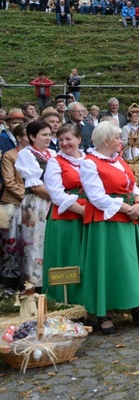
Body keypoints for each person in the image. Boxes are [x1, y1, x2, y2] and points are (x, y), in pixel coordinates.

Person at [79, 121, 139, 334]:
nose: (120, 141)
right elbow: (95, 196)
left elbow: (133, 185)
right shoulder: (89, 163)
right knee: (107, 264)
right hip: (105, 221)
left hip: (128, 217)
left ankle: (136, 306)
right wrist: (125, 207)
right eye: (116, 138)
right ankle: (103, 313)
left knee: (130, 263)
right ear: (105, 141)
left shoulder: (119, 160)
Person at [42, 124, 87, 303]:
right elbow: (56, 195)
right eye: (60, 140)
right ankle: (66, 302)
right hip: (66, 217)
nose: (64, 143)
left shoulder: (89, 159)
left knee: (86, 258)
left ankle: (89, 300)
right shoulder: (55, 162)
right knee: (69, 257)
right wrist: (83, 211)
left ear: (79, 139)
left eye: (68, 139)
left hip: (90, 215)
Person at [15, 121, 56, 288]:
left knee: (51, 240)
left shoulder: (52, 154)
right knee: (34, 242)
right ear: (32, 137)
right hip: (37, 203)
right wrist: (59, 197)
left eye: (49, 134)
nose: (48, 138)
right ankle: (34, 285)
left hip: (54, 201)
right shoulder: (26, 154)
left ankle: (53, 281)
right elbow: (35, 186)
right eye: (44, 135)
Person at [0, 124, 28, 288]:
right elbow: (9, 182)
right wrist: (29, 194)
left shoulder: (34, 155)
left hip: (31, 204)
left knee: (28, 244)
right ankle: (9, 281)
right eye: (27, 135)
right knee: (10, 243)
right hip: (13, 203)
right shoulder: (10, 156)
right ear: (19, 138)